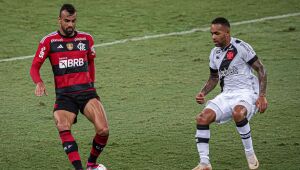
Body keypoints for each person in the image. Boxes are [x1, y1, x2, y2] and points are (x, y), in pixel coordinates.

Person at [30, 4, 109, 170]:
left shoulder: (86, 39)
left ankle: (91, 164)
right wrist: (39, 82)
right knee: (62, 125)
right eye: (67, 21)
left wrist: (92, 86)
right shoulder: (49, 41)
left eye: (73, 21)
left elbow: (91, 62)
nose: (70, 25)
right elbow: (34, 67)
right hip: (65, 95)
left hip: (86, 93)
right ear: (59, 20)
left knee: (103, 130)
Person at [192, 17, 268, 170]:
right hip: (227, 94)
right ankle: (205, 163)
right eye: (211, 33)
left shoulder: (241, 47)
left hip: (247, 92)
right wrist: (203, 92)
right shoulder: (214, 53)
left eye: (217, 33)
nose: (213, 37)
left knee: (238, 113)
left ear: (227, 33)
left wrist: (262, 95)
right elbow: (214, 77)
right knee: (202, 118)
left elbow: (260, 69)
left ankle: (250, 153)